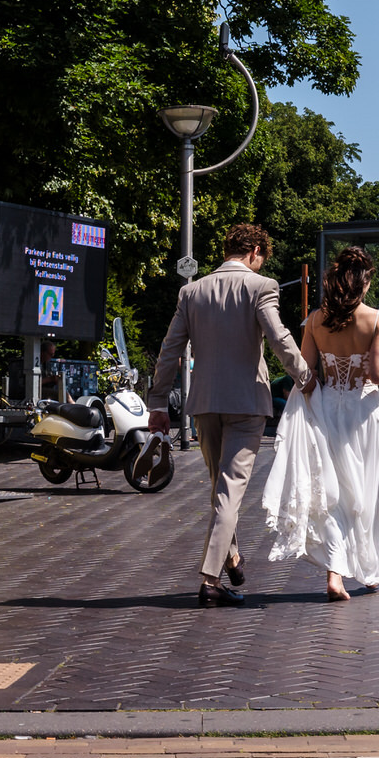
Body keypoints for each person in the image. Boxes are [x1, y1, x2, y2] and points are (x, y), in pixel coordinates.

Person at [148, 224, 312, 608]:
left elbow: (169, 349)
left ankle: (233, 557)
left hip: (204, 403)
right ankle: (210, 580)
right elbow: (279, 337)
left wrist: (158, 403)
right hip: (246, 403)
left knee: (221, 490)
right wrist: (305, 377)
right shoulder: (261, 286)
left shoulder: (192, 292)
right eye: (262, 258)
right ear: (255, 251)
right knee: (229, 490)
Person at [261, 246, 379, 601]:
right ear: (363, 282)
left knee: (333, 492)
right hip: (363, 413)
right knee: (368, 491)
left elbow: (305, 371)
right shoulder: (378, 320)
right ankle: (369, 567)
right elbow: (378, 374)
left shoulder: (314, 320)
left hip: (327, 409)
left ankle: (335, 573)